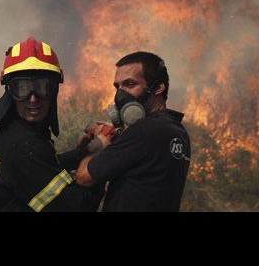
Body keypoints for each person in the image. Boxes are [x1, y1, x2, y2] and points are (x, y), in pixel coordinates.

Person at [0, 36, 104, 212]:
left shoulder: (14, 129)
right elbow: (79, 207)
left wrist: (83, 153)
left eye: (43, 87)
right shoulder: (22, 144)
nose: (33, 99)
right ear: (10, 91)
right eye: (22, 88)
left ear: (54, 90)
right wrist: (100, 160)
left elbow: (44, 164)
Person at [75, 52, 191, 211]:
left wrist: (100, 142)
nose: (119, 95)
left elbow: (84, 177)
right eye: (117, 86)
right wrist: (122, 135)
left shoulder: (144, 131)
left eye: (130, 84)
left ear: (158, 87)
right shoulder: (178, 132)